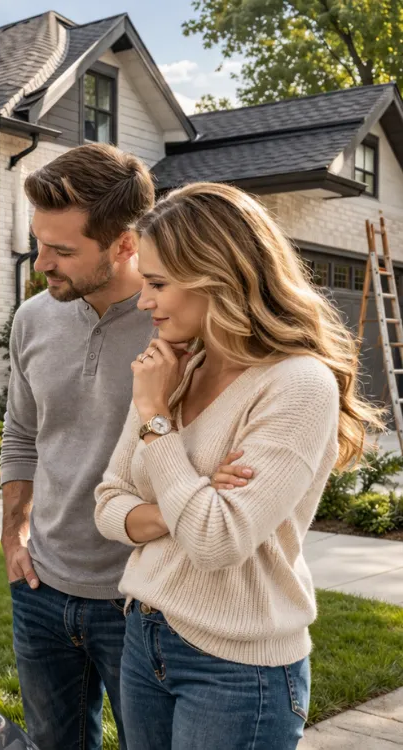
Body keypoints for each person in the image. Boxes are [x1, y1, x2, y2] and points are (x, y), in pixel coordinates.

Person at [94, 182, 382, 749]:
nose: (143, 301)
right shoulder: (177, 364)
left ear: (216, 276)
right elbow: (107, 506)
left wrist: (157, 420)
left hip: (236, 666)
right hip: (144, 631)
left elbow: (216, 542)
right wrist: (197, 493)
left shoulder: (296, 384)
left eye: (156, 284)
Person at [0, 143, 156, 750]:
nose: (43, 264)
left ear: (124, 244)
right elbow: (22, 433)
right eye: (39, 243)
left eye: (63, 251)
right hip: (41, 587)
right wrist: (12, 536)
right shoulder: (33, 319)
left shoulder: (177, 319)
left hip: (139, 598)